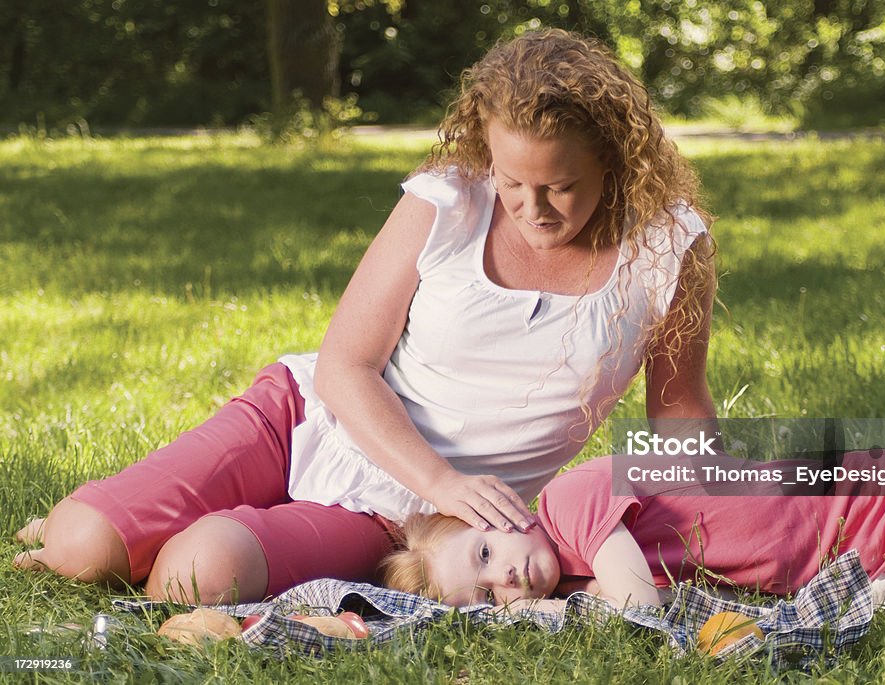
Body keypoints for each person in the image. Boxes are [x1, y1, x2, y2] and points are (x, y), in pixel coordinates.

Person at [12, 29, 717, 605]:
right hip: (302, 420)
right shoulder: (448, 201)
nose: (532, 209)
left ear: (614, 163)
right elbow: (345, 367)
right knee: (79, 548)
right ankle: (114, 525)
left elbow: (678, 411)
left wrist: (745, 512)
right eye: (511, 184)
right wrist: (442, 477)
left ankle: (174, 531)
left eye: (561, 186)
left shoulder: (666, 250)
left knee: (195, 578)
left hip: (406, 524)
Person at [380, 453, 885, 616]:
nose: (505, 579)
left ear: (504, 511)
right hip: (867, 572)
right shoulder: (575, 577)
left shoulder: (572, 502)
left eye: (486, 553)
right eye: (487, 596)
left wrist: (537, 611)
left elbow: (640, 608)